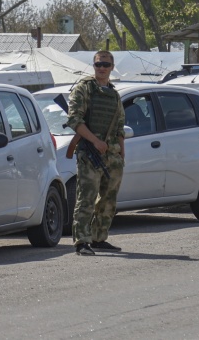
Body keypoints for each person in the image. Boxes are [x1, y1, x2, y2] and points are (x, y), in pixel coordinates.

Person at [66, 50, 126, 256]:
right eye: (98, 64)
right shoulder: (84, 89)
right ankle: (82, 240)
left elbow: (119, 127)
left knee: (109, 199)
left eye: (106, 65)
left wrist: (121, 154)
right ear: (93, 66)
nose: (102, 68)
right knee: (87, 198)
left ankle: (99, 237)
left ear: (112, 67)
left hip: (112, 154)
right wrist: (95, 141)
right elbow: (75, 120)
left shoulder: (114, 93)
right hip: (90, 152)